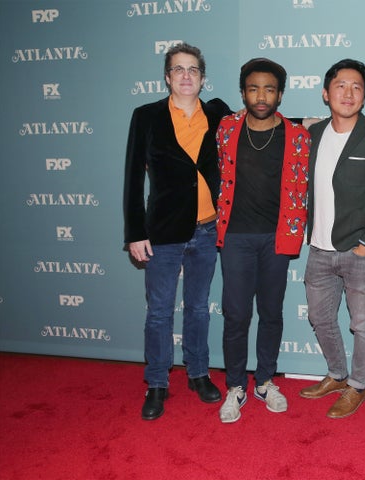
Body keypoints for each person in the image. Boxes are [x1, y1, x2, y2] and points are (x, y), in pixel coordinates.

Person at [123, 43, 230, 420]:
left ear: (202, 78)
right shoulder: (147, 116)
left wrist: (305, 124)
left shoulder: (217, 112)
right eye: (178, 69)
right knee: (159, 312)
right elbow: (133, 178)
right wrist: (135, 232)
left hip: (206, 229)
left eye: (193, 70)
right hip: (163, 231)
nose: (186, 76)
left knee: (199, 308)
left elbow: (258, 130)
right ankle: (157, 383)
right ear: (168, 77)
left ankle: (199, 373)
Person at [298, 59, 365, 419]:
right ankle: (338, 374)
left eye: (357, 87)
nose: (348, 93)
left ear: (364, 96)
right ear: (326, 93)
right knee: (320, 318)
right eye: (340, 85)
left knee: (362, 323)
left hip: (358, 251)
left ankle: (357, 385)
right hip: (318, 249)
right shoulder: (311, 134)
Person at [214, 58, 310, 423]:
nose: (261, 95)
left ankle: (265, 380)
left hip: (277, 239)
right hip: (235, 237)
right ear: (243, 92)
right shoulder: (225, 128)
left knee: (271, 313)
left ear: (280, 94)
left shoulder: (297, 136)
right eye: (253, 88)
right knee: (236, 315)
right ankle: (236, 385)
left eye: (269, 88)